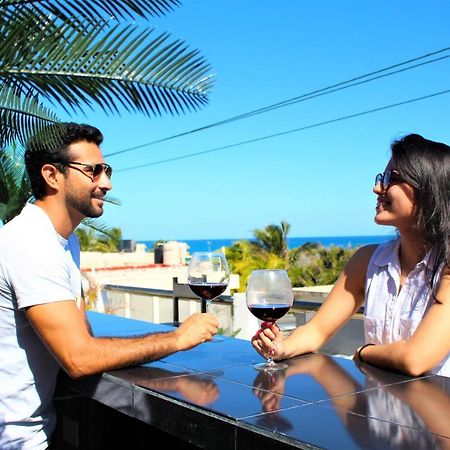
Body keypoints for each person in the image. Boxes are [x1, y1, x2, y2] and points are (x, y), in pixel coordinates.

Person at [0, 122, 219, 450]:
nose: (107, 182)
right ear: (52, 175)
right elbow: (79, 357)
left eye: (107, 169)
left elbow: (81, 337)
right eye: (93, 171)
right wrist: (177, 338)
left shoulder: (63, 240)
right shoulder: (31, 243)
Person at [252, 133, 450, 377]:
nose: (377, 188)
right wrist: (282, 347)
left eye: (391, 178)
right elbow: (317, 331)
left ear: (429, 189)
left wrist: (364, 352)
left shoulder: (447, 268)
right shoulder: (367, 261)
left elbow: (416, 359)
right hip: (382, 409)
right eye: (381, 178)